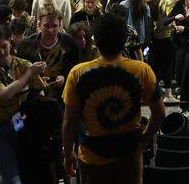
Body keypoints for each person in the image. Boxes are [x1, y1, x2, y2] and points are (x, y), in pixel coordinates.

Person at [62, 13, 165, 183]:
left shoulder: (78, 73)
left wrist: (67, 153)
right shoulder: (142, 70)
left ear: (95, 40)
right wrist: (145, 139)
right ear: (124, 40)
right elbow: (160, 113)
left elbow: (69, 121)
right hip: (129, 154)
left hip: (91, 157)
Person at [0, 25, 48, 184]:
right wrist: (28, 74)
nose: (1, 52)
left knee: (27, 174)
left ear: (10, 42)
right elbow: (3, 95)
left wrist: (29, 113)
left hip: (23, 124)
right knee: (12, 179)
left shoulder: (23, 64)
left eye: (4, 47)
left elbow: (40, 95)